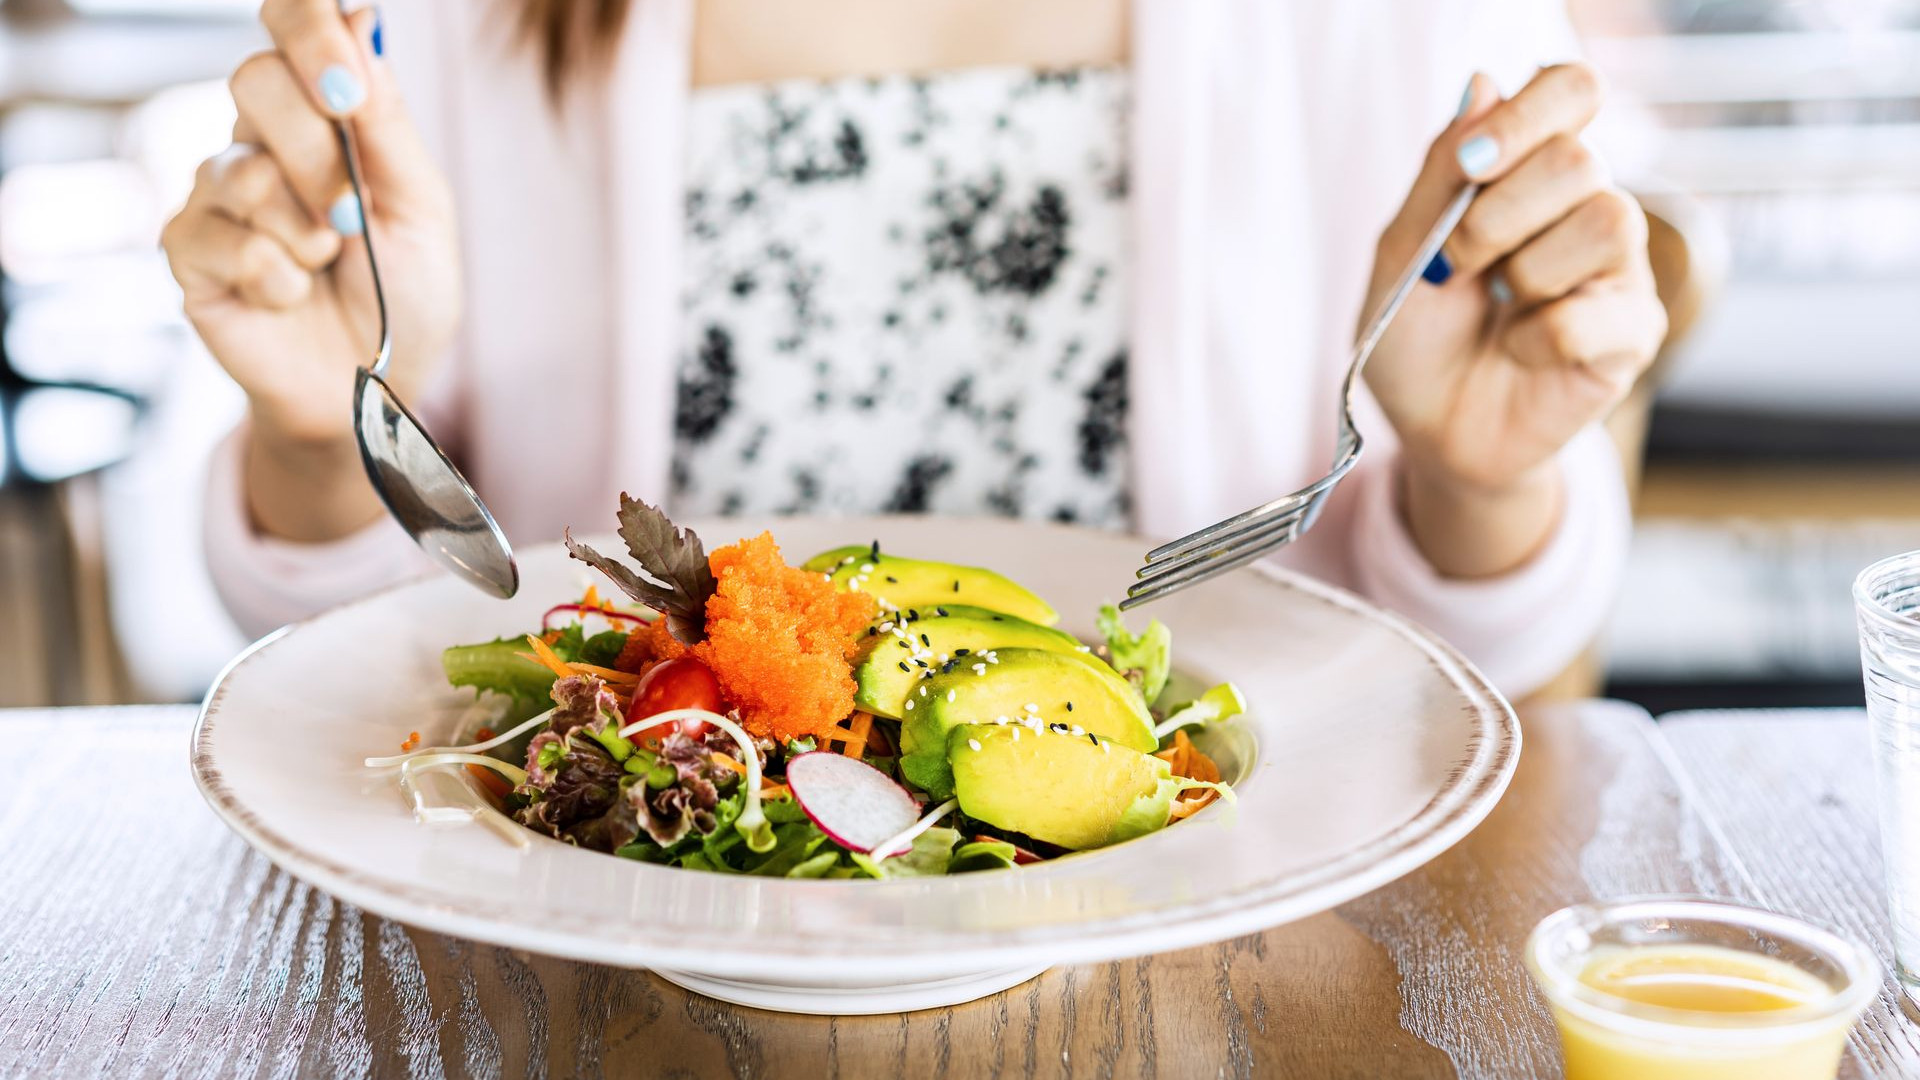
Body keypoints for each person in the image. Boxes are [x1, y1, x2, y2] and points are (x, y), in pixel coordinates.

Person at [161, 0, 1666, 697]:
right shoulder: (455, 26)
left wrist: (1479, 486)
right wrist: (330, 432)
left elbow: (1485, 661)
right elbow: (377, 650)